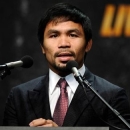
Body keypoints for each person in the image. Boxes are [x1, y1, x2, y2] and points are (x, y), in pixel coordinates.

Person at [3, 2, 130, 129]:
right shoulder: (19, 96)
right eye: (54, 35)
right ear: (42, 47)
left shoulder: (111, 96)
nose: (63, 43)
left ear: (88, 44)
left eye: (73, 35)